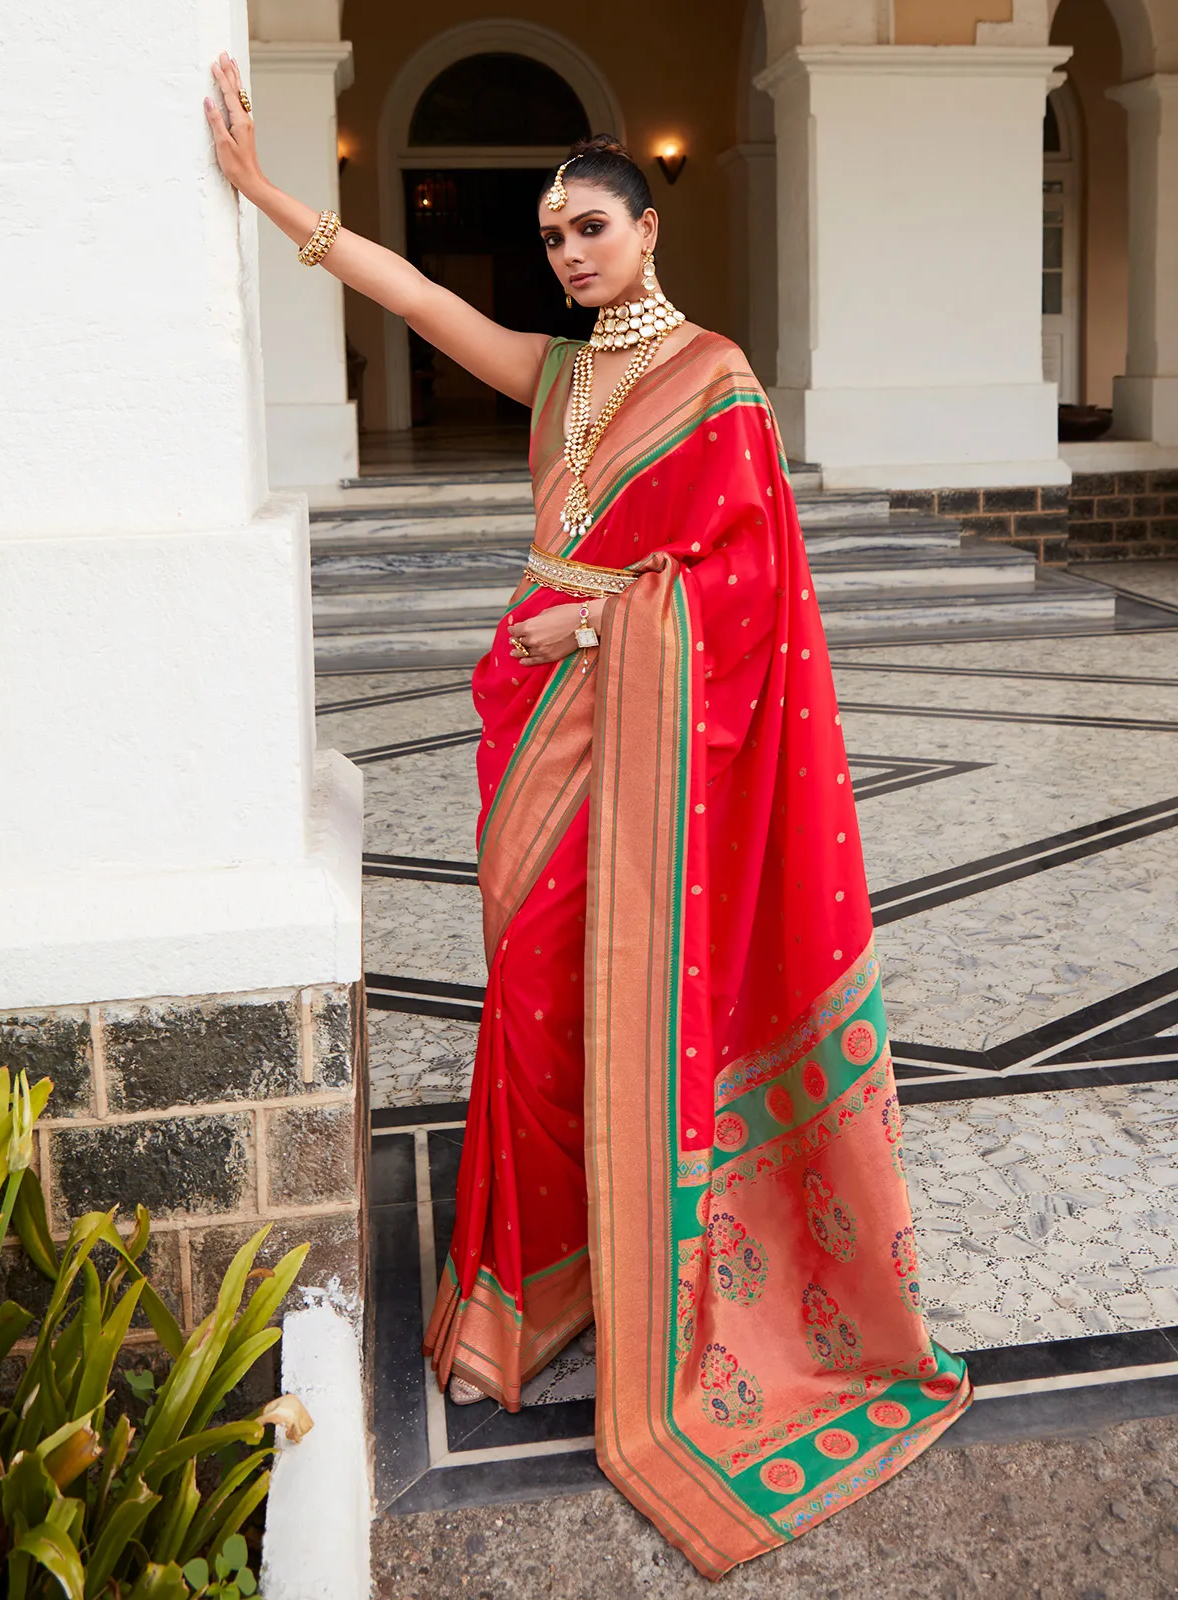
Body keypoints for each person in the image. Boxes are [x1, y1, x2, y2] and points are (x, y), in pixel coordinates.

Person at [206, 54, 971, 1580]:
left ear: (645, 233)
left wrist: (607, 629)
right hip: (535, 718)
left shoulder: (718, 382)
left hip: (629, 715)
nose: (565, 253)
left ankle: (637, 1273)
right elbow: (421, 304)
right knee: (536, 1002)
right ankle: (537, 1278)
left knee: (596, 995)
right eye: (551, 233)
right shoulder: (560, 377)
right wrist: (274, 199)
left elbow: (751, 597)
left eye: (588, 230)